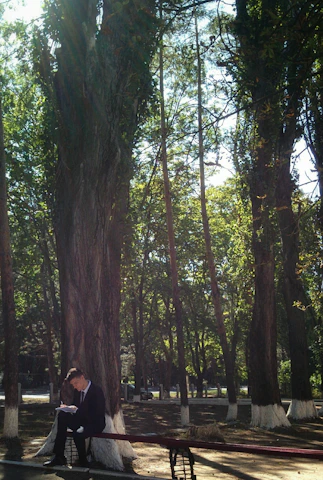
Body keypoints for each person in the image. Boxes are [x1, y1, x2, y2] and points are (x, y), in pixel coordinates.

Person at [44, 367, 106, 467]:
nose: (75, 387)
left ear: (82, 378)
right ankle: (59, 456)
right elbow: (76, 407)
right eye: (73, 385)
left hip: (95, 423)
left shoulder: (97, 391)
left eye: (76, 383)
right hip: (81, 420)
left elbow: (97, 414)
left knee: (78, 433)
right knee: (63, 416)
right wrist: (67, 408)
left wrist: (77, 410)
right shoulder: (78, 391)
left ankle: (83, 461)